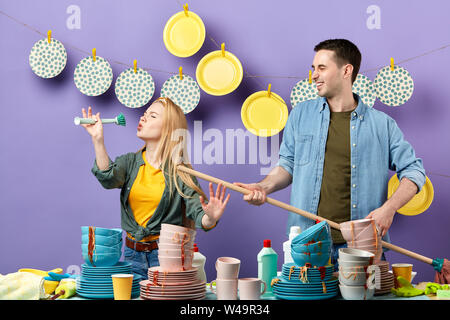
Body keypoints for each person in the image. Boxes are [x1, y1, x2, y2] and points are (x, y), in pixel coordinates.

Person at [235, 39, 425, 270]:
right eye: (313, 68)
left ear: (346, 70)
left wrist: (389, 209)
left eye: (321, 68)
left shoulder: (382, 125)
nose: (314, 75)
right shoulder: (300, 115)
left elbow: (414, 171)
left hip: (362, 248)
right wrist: (263, 187)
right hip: (307, 246)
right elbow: (288, 164)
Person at [80, 97, 230, 278]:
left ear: (168, 128)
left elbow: (199, 214)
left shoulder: (181, 172)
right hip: (131, 254)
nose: (142, 118)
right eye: (144, 115)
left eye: (152, 116)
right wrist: (97, 139)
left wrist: (211, 217)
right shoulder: (129, 163)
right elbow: (108, 178)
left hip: (167, 257)